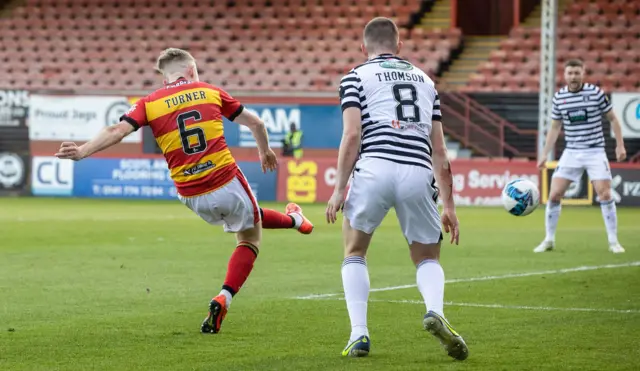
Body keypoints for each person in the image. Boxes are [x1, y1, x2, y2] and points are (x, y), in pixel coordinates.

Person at [55, 48, 314, 334]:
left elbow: (116, 131)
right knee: (250, 238)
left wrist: (81, 151)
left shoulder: (149, 103)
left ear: (165, 76)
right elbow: (257, 123)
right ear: (190, 70)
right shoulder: (210, 91)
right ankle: (223, 297)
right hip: (224, 178)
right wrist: (264, 152)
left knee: (246, 213)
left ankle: (296, 221)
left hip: (190, 194)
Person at [325, 17, 468, 360]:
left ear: (364, 47)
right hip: (418, 171)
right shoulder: (425, 81)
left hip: (375, 165)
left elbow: (352, 135)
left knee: (355, 251)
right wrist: (449, 205)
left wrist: (338, 188)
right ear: (399, 46)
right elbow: (440, 151)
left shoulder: (355, 76)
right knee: (427, 256)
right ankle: (436, 311)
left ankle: (359, 334)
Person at [535, 59, 626, 254]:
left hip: (595, 150)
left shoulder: (595, 94)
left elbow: (613, 119)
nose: (573, 77)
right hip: (572, 151)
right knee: (554, 194)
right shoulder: (559, 97)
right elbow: (555, 127)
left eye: (577, 73)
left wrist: (620, 145)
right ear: (564, 75)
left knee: (605, 193)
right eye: (570, 73)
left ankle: (613, 241)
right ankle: (549, 239)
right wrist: (544, 154)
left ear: (583, 73)